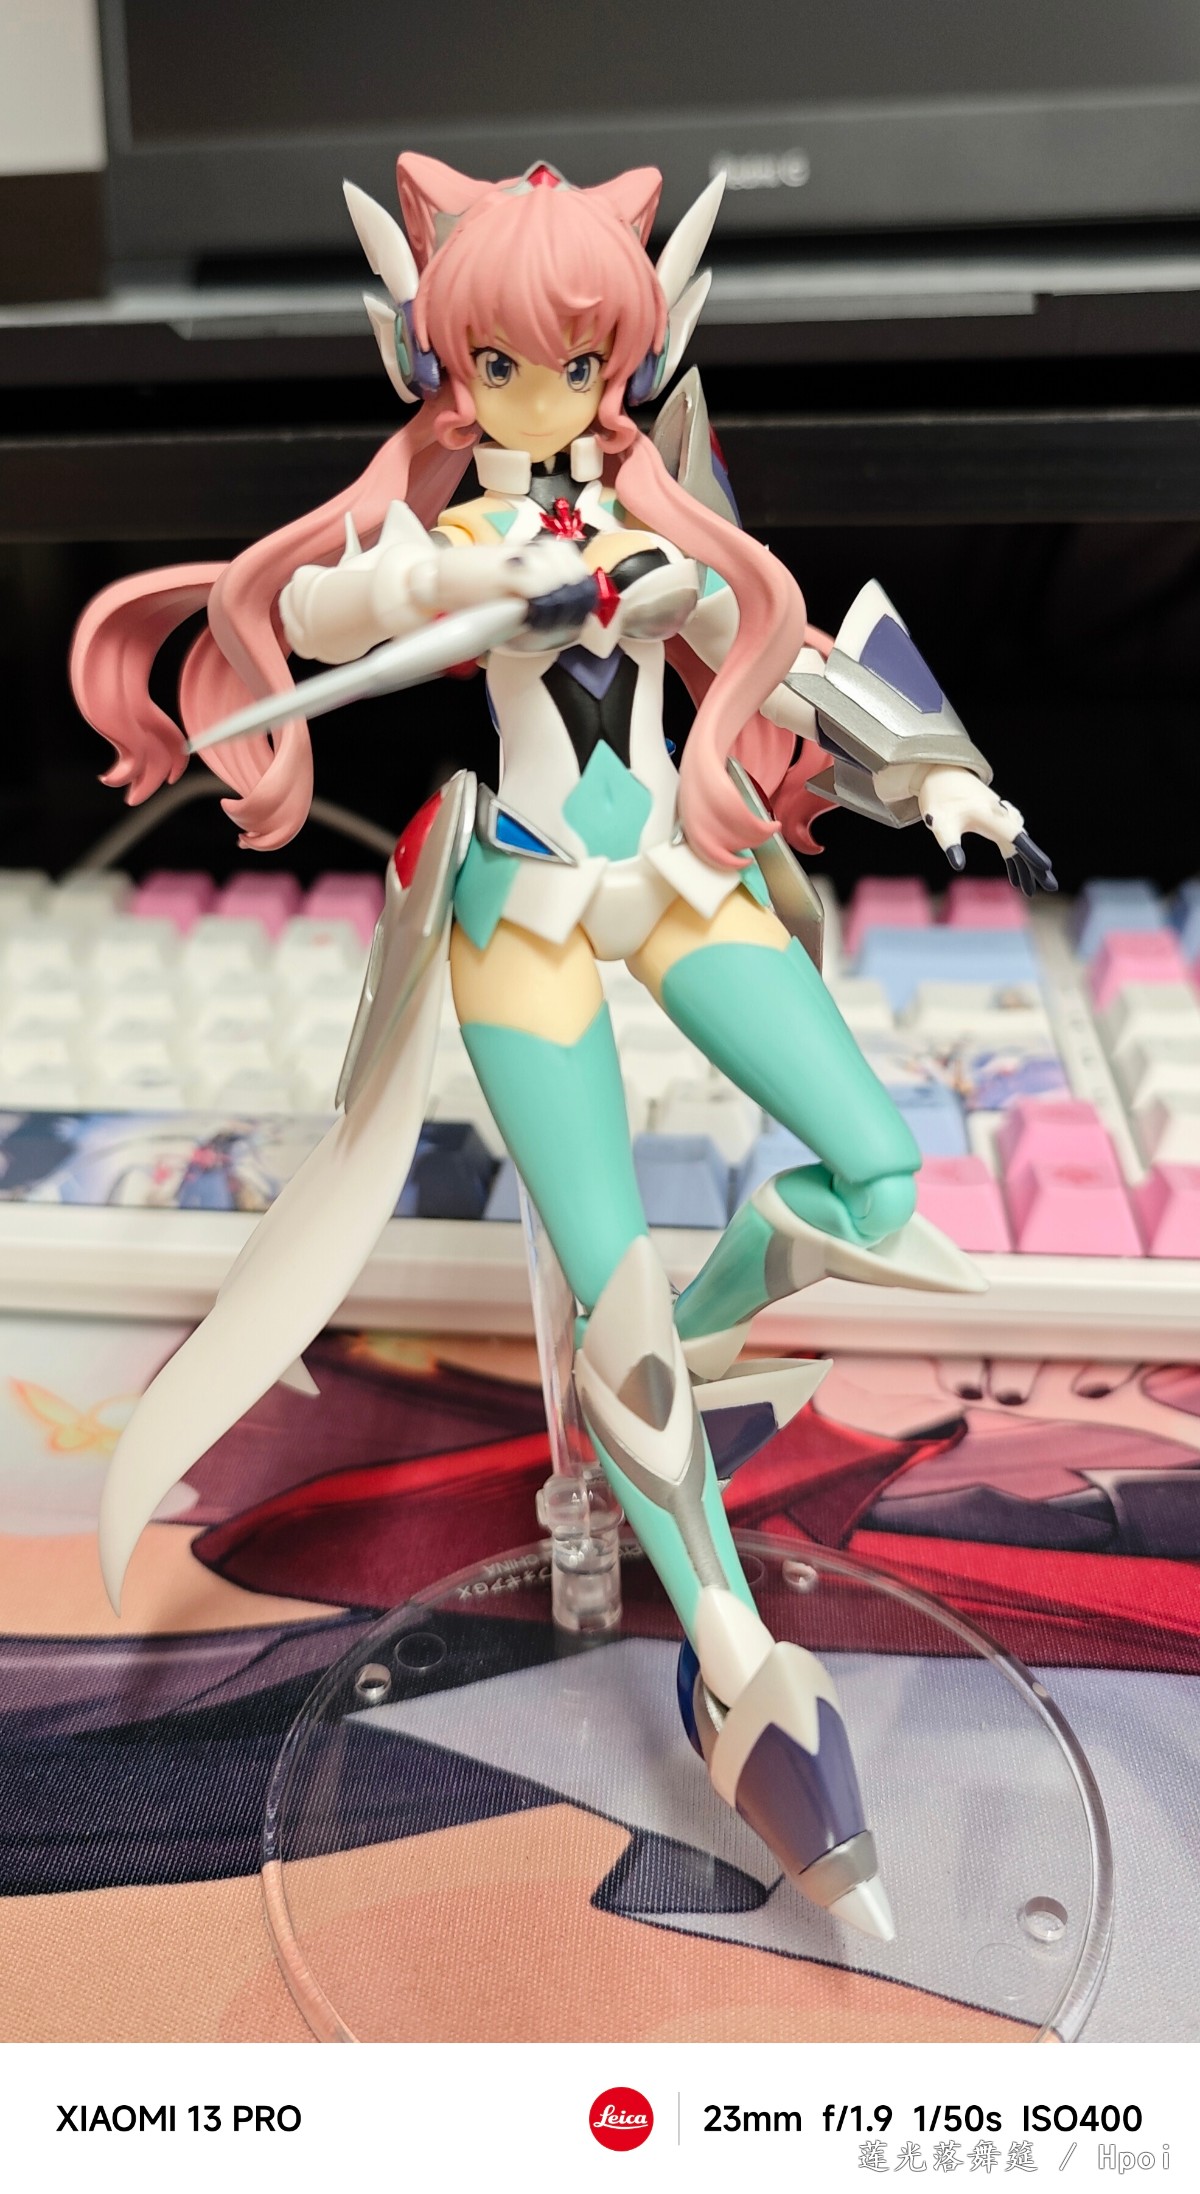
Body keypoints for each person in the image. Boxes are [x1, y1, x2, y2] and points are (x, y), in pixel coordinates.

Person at [71, 154, 1055, 1942]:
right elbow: (324, 611)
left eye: (582, 363)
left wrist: (942, 777)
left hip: (674, 877)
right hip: (523, 911)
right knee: (613, 1287)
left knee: (878, 1169)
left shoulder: (667, 520)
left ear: (631, 358)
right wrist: (445, 591)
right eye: (506, 364)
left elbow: (789, 646)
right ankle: (728, 1640)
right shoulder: (450, 536)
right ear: (446, 365)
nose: (546, 395)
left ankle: (674, 1360)